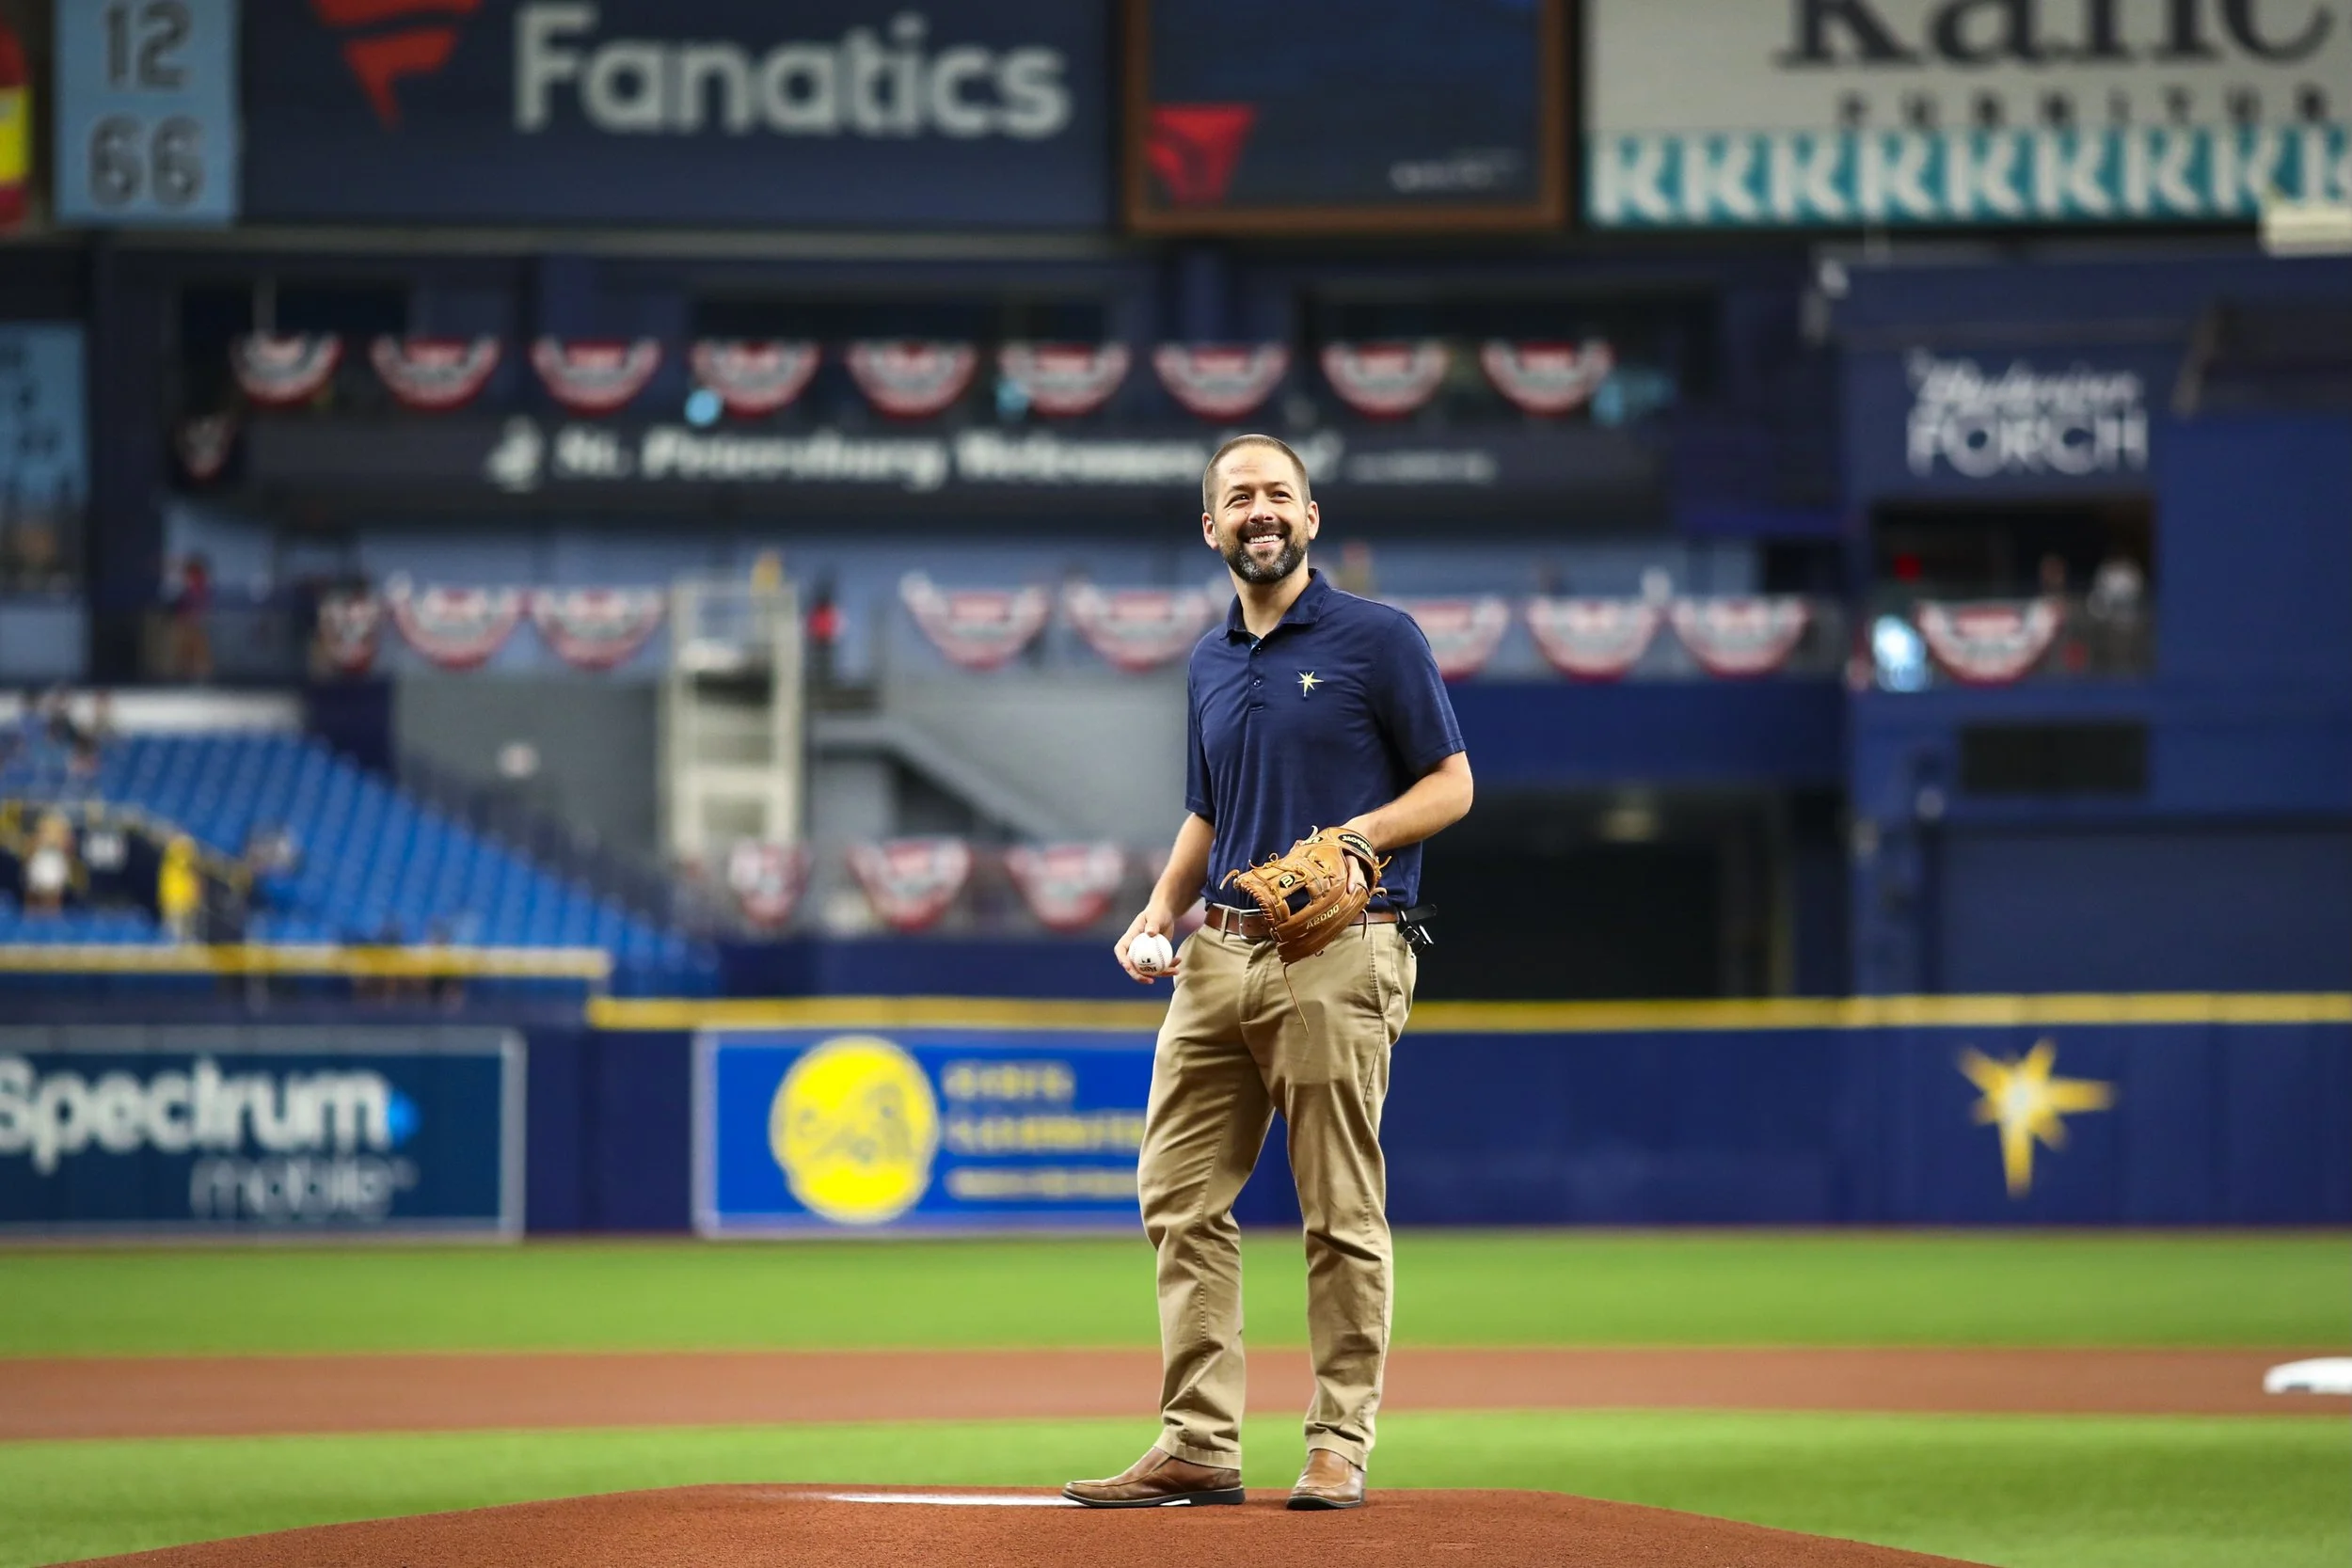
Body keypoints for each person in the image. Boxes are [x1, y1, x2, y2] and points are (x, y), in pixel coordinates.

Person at [1064, 435, 1473, 1513]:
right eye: (1237, 496)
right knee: (1177, 1193)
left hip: (1342, 944)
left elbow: (1453, 782)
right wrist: (1159, 908)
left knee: (1337, 1202)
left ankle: (1338, 1438)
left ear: (1310, 515)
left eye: (1277, 494)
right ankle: (1198, 1438)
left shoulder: (1376, 638)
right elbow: (1207, 809)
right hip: (1220, 951)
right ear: (1211, 527)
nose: (1259, 509)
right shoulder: (1209, 660)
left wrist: (1358, 837)